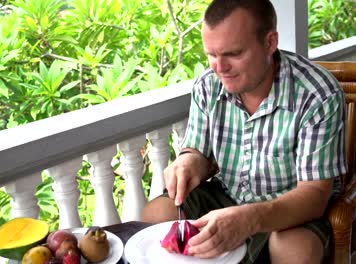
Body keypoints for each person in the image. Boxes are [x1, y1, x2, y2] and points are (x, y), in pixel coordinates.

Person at [141, 0, 348, 263]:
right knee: (156, 214)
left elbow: (314, 196)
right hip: (226, 195)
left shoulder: (317, 95)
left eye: (234, 54)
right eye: (211, 55)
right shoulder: (208, 86)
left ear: (270, 42)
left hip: (289, 210)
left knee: (296, 251)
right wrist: (188, 161)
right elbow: (197, 153)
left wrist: (249, 219)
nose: (219, 67)